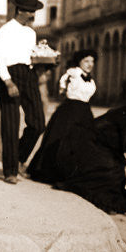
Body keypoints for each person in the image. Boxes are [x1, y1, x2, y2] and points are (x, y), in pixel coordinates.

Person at [54, 89, 126, 213]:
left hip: (83, 142)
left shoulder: (123, 112)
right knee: (112, 172)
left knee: (111, 170)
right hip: (92, 146)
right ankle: (106, 203)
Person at [0, 0, 46, 183]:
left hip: (28, 75)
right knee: (10, 125)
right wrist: (7, 81)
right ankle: (10, 171)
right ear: (21, 10)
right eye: (31, 11)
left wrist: (44, 60)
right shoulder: (4, 31)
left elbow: (30, 56)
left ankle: (19, 157)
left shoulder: (31, 33)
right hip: (10, 75)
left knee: (38, 122)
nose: (33, 15)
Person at [27, 49, 97, 184]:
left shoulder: (90, 78)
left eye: (92, 61)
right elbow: (62, 88)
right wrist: (64, 89)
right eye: (86, 61)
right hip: (70, 110)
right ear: (79, 62)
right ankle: (52, 172)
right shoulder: (73, 73)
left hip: (85, 112)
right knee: (60, 139)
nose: (90, 64)